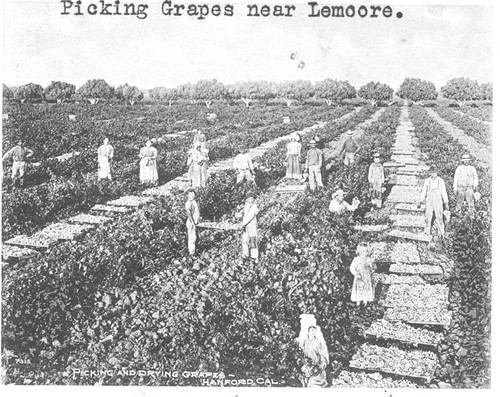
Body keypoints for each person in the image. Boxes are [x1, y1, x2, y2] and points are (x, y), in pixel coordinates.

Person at [420, 165, 449, 237]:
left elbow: (444, 192)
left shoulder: (441, 181)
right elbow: (424, 191)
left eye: (434, 172)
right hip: (429, 199)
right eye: (432, 172)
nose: (433, 174)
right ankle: (427, 233)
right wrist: (420, 200)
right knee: (428, 216)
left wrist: (446, 202)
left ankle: (441, 234)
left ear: (437, 172)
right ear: (430, 173)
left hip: (438, 199)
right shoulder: (427, 181)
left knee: (439, 217)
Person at [240, 192, 259, 261]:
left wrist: (243, 223)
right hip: (246, 225)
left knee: (252, 240)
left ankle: (254, 256)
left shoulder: (254, 206)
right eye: (249, 198)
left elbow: (250, 216)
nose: (250, 199)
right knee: (245, 239)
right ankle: (245, 254)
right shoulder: (246, 205)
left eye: (252, 198)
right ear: (247, 199)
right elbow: (245, 215)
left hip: (252, 224)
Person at [185, 189, 200, 256]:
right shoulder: (188, 203)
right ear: (187, 195)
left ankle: (194, 252)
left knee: (195, 237)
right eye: (190, 195)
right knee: (192, 238)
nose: (192, 196)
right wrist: (192, 222)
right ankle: (191, 253)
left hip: (195, 222)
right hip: (191, 222)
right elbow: (188, 213)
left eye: (193, 195)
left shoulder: (194, 202)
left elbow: (197, 211)